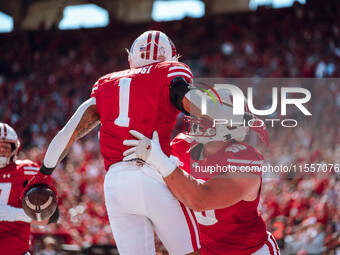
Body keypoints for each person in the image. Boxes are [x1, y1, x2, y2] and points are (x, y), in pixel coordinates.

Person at [22, 30, 209, 255]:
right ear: (171, 56)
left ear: (132, 57)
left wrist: (43, 174)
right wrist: (222, 114)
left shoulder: (106, 83)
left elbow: (68, 133)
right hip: (155, 171)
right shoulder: (169, 71)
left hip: (116, 184)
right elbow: (189, 99)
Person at [122, 89, 281, 254]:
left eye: (207, 115)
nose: (198, 119)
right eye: (198, 113)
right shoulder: (182, 144)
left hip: (249, 251)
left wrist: (159, 160)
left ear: (231, 123)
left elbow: (201, 200)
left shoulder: (244, 159)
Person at [0, 122, 59, 255]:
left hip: (16, 250)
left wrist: (13, 214)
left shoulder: (27, 171)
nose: (2, 150)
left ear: (14, 148)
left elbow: (52, 216)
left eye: (5, 145)